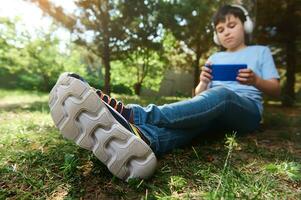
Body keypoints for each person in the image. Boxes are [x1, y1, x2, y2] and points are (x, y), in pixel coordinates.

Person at [49, 4, 280, 181]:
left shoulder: (260, 52)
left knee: (222, 94)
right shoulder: (214, 58)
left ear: (245, 26)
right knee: (198, 121)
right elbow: (200, 95)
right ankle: (145, 139)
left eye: (232, 26)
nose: (226, 33)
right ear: (216, 36)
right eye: (220, 29)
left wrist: (256, 80)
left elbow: (276, 89)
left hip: (247, 113)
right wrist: (202, 81)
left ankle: (134, 115)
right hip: (217, 111)